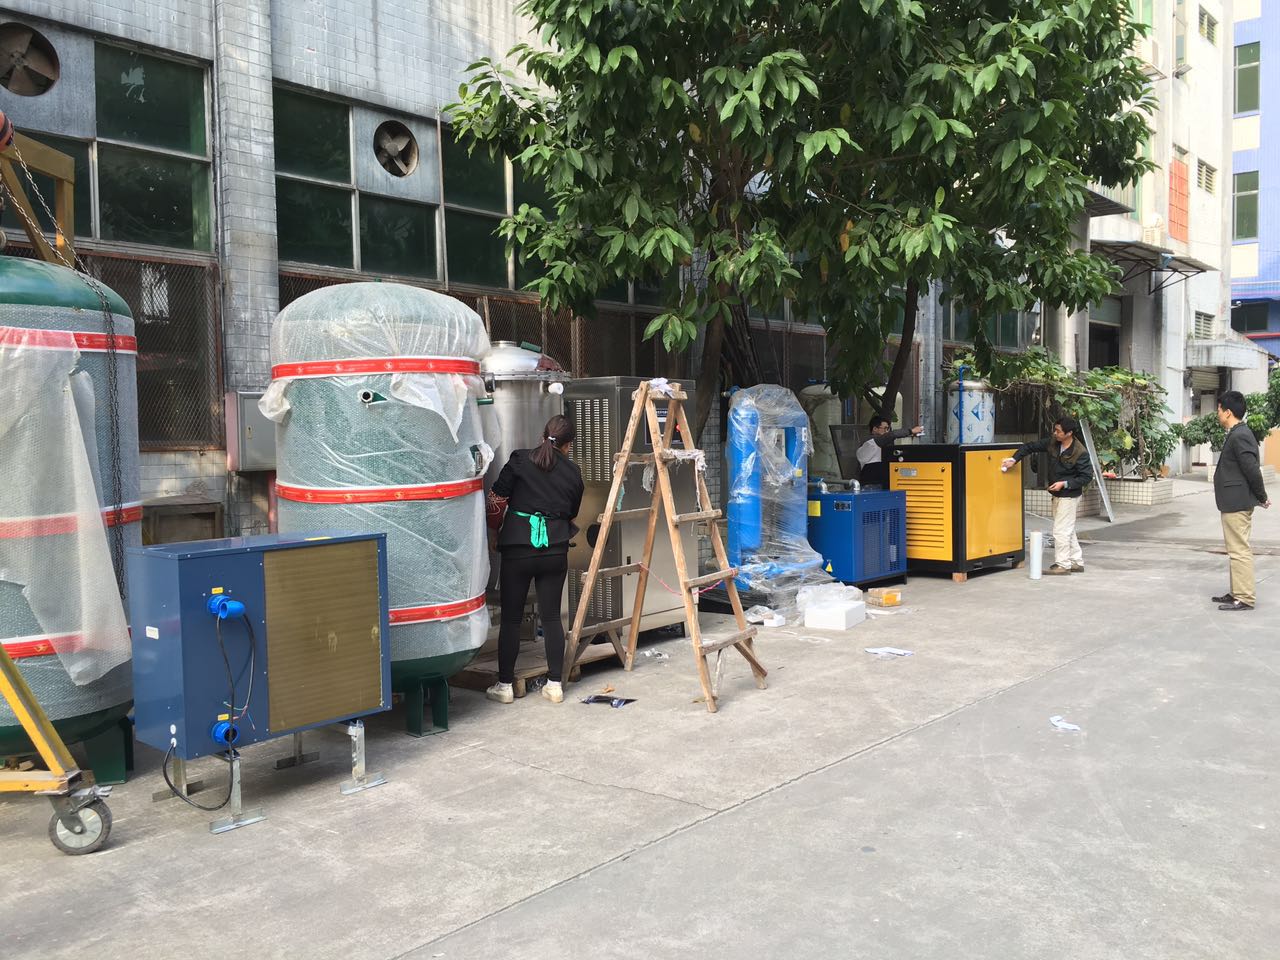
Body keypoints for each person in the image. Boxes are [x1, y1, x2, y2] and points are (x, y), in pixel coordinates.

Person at [485, 415, 584, 704]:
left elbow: (495, 501)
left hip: (517, 547)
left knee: (511, 619)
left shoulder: (519, 460)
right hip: (554, 548)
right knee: (551, 616)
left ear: (543, 436)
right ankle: (554, 685)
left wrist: (494, 532)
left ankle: (505, 686)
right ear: (568, 445)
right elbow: (571, 512)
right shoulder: (573, 472)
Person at [1001, 415, 1093, 576]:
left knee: (1060, 531)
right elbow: (1030, 446)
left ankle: (1063, 565)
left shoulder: (1080, 452)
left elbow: (1086, 477)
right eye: (1055, 430)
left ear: (1069, 433)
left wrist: (1064, 484)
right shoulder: (1053, 443)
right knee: (1067, 529)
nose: (1055, 433)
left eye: (1058, 431)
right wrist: (1014, 459)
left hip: (1069, 496)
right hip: (1057, 493)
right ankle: (1076, 561)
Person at [1211, 391, 1270, 611]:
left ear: (1228, 412)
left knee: (1239, 550)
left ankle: (1244, 597)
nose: (1217, 413)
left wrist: (1262, 496)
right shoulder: (1237, 433)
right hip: (1233, 501)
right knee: (1235, 549)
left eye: (1218, 409)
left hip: (1237, 502)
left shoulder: (1241, 435)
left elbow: (1252, 469)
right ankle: (1237, 592)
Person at [856, 416, 924, 487]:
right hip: (871, 482)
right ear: (875, 429)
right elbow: (892, 435)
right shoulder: (871, 442)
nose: (887, 431)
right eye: (885, 428)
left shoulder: (881, 444)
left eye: (888, 429)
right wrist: (911, 431)